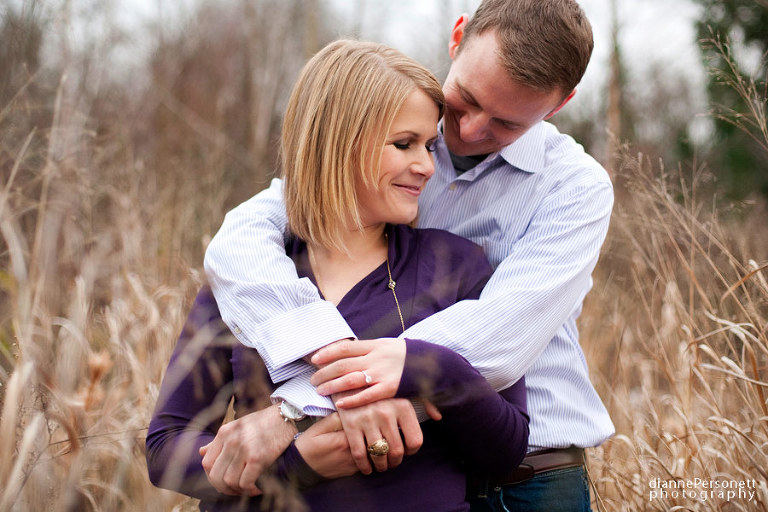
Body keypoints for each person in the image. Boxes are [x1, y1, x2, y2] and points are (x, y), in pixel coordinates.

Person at [203, 1, 615, 511]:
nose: (470, 129)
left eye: (506, 124)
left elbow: (494, 344)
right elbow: (240, 238)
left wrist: (298, 407)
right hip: (422, 470)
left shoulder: (575, 189)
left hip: (533, 476)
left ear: (559, 104)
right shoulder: (397, 143)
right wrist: (318, 365)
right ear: (457, 36)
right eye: (464, 100)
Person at [146, 39, 529, 512]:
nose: (428, 166)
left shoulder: (455, 266)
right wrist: (296, 463)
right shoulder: (249, 277)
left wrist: (435, 373)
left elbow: (506, 452)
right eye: (404, 144)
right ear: (338, 143)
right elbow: (165, 447)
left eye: (429, 145)